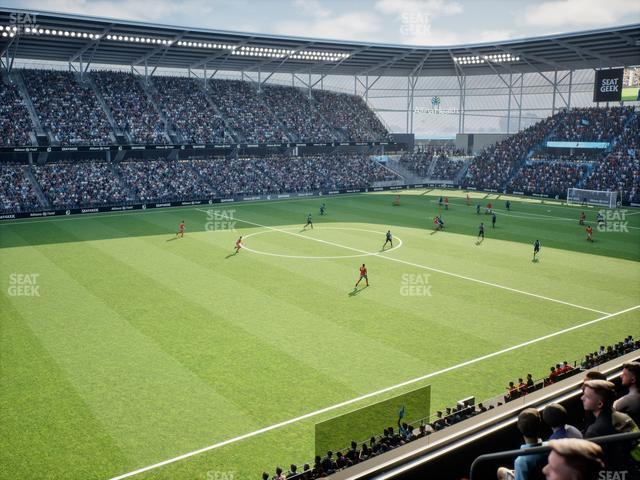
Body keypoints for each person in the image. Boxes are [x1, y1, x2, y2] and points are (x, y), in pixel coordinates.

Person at [497, 408, 546, 480]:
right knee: (501, 471)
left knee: (500, 471)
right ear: (539, 425)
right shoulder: (550, 446)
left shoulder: (520, 461)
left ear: (519, 428)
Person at [613, 362, 640, 426]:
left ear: (633, 380)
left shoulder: (628, 400)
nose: (620, 376)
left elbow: (610, 413)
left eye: (624, 374)